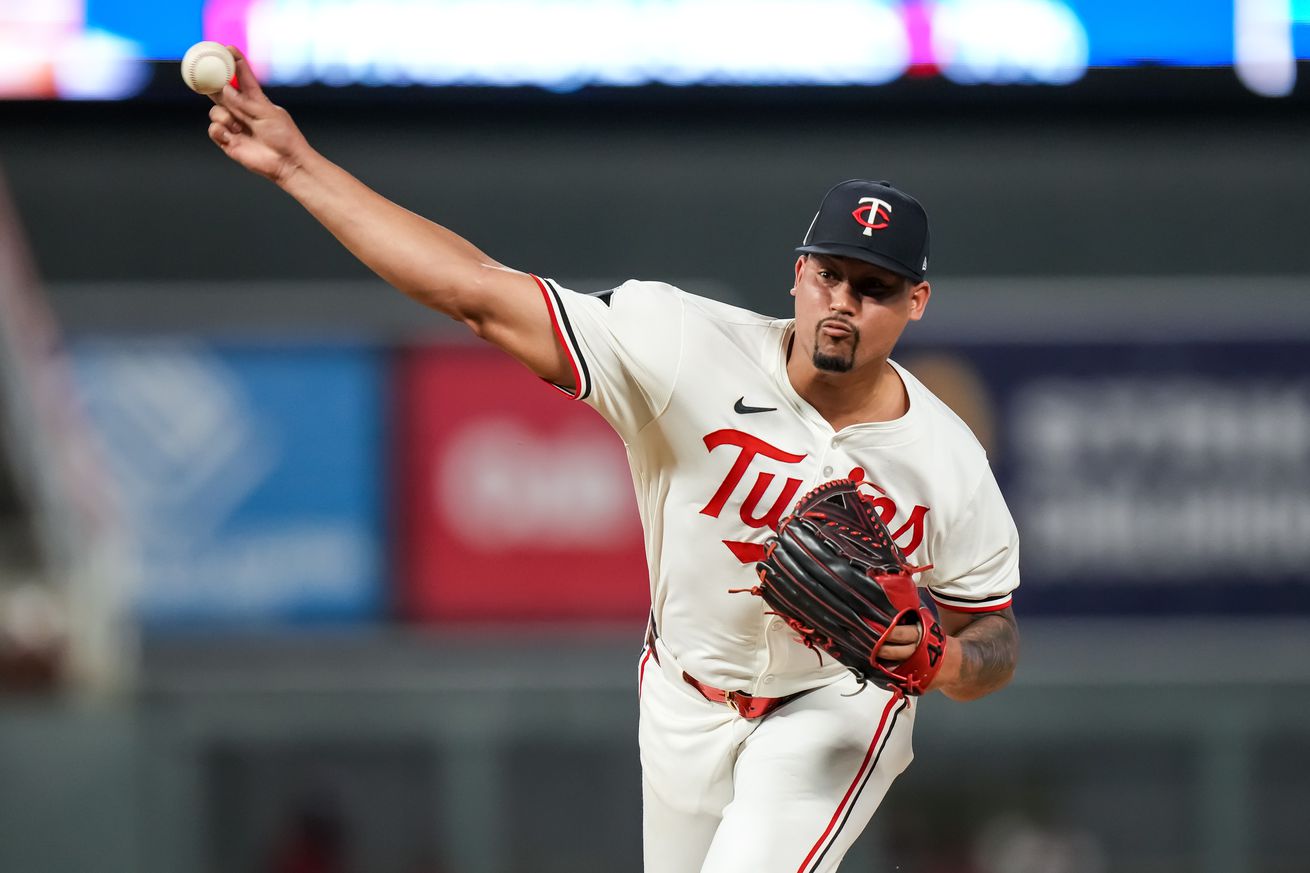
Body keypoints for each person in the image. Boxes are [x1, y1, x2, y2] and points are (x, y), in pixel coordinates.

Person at [205, 47, 1020, 873]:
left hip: (836, 706)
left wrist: (946, 660)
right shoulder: (682, 346)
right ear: (798, 273)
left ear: (916, 300)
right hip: (682, 695)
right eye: (831, 275)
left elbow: (994, 631)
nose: (842, 301)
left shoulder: (947, 458)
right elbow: (475, 291)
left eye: (874, 287)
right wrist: (298, 166)